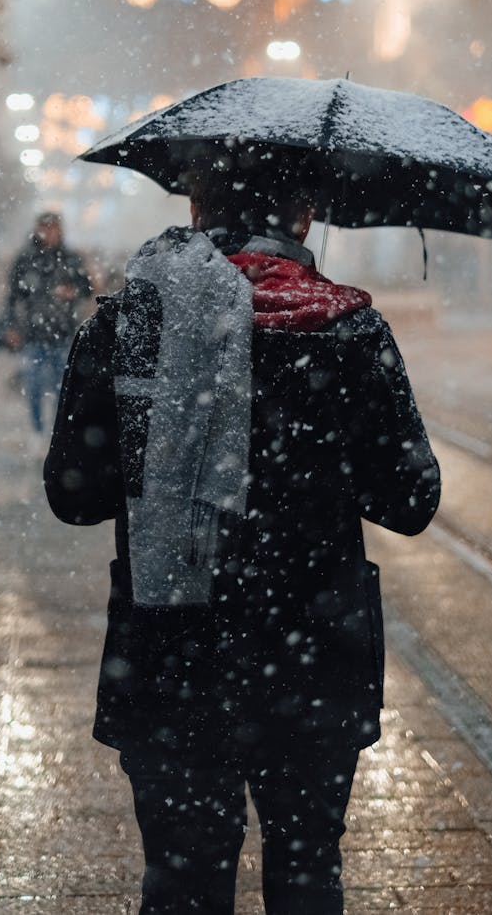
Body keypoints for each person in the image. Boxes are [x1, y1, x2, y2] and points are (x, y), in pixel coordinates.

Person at [43, 162, 441, 914]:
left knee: (182, 884)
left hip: (171, 653)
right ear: (302, 217)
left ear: (195, 208)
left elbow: (74, 496)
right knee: (305, 877)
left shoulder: (128, 323)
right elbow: (410, 500)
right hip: (311, 654)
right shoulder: (349, 330)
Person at [3, 211, 92, 440]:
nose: (49, 233)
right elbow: (13, 297)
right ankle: (37, 430)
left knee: (61, 387)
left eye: (53, 228)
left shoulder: (71, 258)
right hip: (33, 334)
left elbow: (86, 287)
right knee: (33, 386)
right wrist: (12, 325)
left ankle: (57, 432)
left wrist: (72, 292)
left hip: (63, 332)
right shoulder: (25, 259)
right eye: (45, 228)